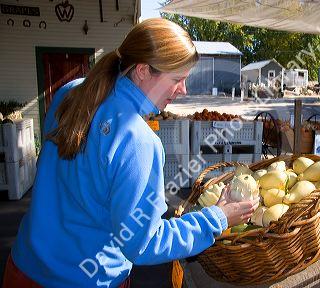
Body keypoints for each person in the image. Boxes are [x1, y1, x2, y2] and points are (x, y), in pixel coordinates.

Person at [2, 18, 258, 288]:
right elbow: (142, 244)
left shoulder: (71, 92)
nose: (184, 90)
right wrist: (217, 218)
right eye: (178, 79)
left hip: (23, 267)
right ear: (143, 71)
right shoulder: (138, 140)